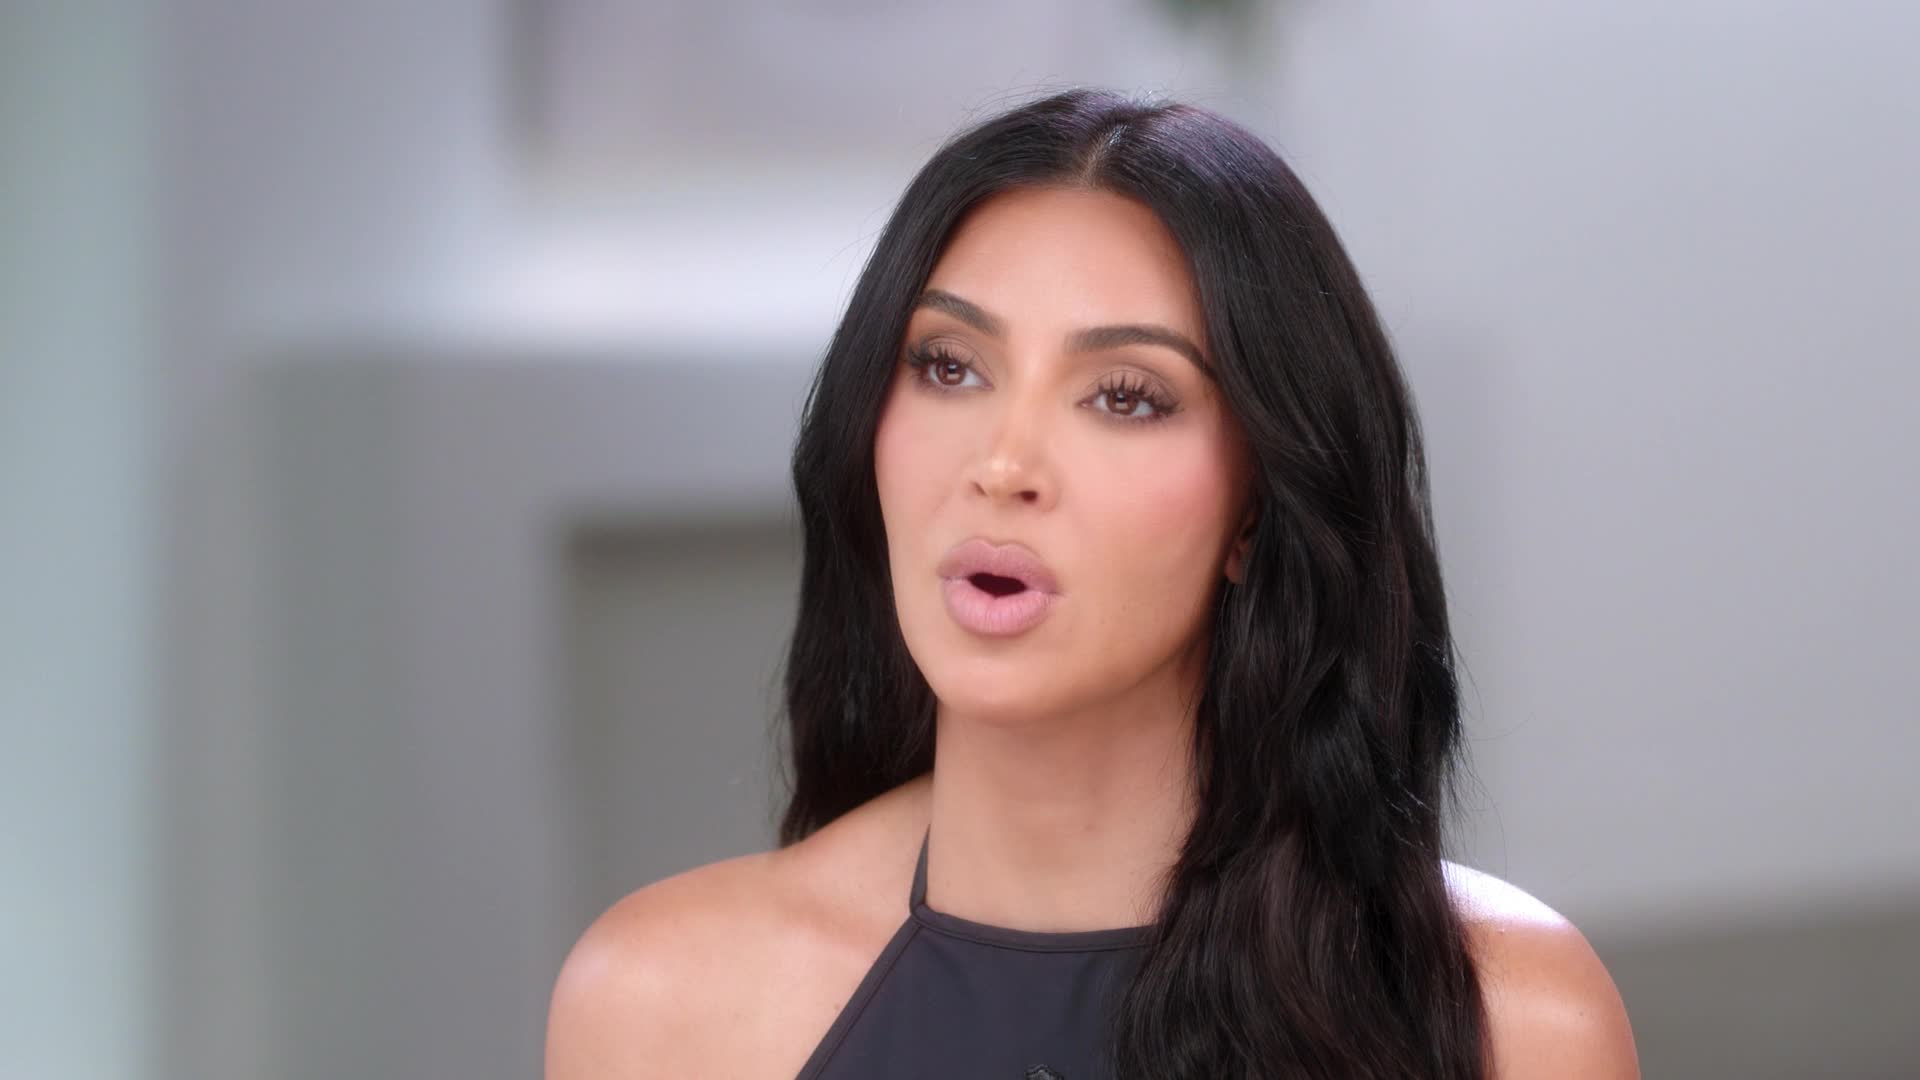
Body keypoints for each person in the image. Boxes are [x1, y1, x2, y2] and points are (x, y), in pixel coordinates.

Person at [545, 87, 1639, 1079]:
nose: (1003, 465)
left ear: (1257, 508)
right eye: (948, 367)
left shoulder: (1514, 1025)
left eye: (1125, 396)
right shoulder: (662, 1008)